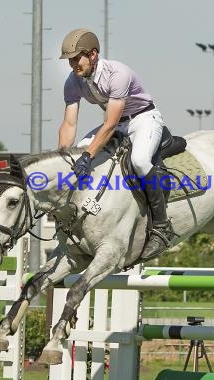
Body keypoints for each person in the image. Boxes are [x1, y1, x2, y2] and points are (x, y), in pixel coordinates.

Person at [57, 28, 174, 261]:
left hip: (143, 119)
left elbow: (109, 125)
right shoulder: (73, 81)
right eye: (70, 60)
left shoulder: (118, 74)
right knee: (79, 150)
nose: (72, 65)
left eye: (76, 58)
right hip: (118, 124)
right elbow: (69, 124)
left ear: (92, 54)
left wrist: (88, 156)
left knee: (139, 161)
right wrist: (63, 157)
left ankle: (162, 227)